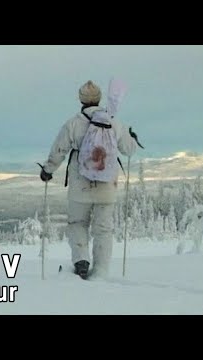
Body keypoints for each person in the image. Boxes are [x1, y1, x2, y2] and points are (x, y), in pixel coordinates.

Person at [39, 80, 138, 280]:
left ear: (81, 99)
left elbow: (59, 150)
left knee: (77, 223)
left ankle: (81, 261)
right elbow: (129, 149)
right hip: (107, 185)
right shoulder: (114, 122)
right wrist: (133, 137)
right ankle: (101, 271)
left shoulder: (73, 123)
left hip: (80, 183)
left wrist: (48, 170)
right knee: (103, 229)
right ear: (99, 98)